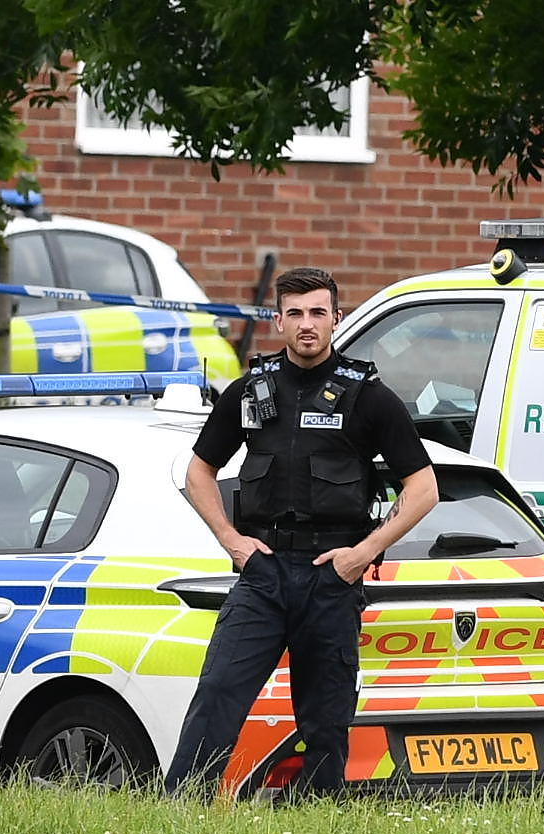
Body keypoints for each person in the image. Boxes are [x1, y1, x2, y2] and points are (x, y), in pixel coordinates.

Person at [169, 266, 437, 797]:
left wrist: (363, 553)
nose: (307, 325)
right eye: (295, 314)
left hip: (330, 578)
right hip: (263, 576)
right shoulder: (251, 390)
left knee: (325, 718)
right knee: (219, 690)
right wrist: (232, 541)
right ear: (278, 320)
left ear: (337, 318)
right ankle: (182, 808)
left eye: (318, 313)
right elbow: (197, 472)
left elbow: (423, 488)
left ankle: (317, 822)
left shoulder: (369, 397)